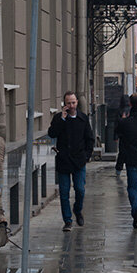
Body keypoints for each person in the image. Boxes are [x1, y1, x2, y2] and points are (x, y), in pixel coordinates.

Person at [47, 91, 95, 232]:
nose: (71, 105)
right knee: (64, 192)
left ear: (77, 103)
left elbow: (89, 139)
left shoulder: (83, 118)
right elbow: (52, 133)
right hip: (63, 160)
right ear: (64, 104)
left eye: (73, 102)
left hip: (79, 160)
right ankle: (67, 221)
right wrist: (61, 119)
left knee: (80, 189)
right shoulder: (59, 118)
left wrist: (87, 155)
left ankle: (77, 209)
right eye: (68, 103)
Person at [114, 93, 137, 228]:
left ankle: (136, 211)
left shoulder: (125, 122)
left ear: (130, 104)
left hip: (131, 159)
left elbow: (118, 132)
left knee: (132, 188)